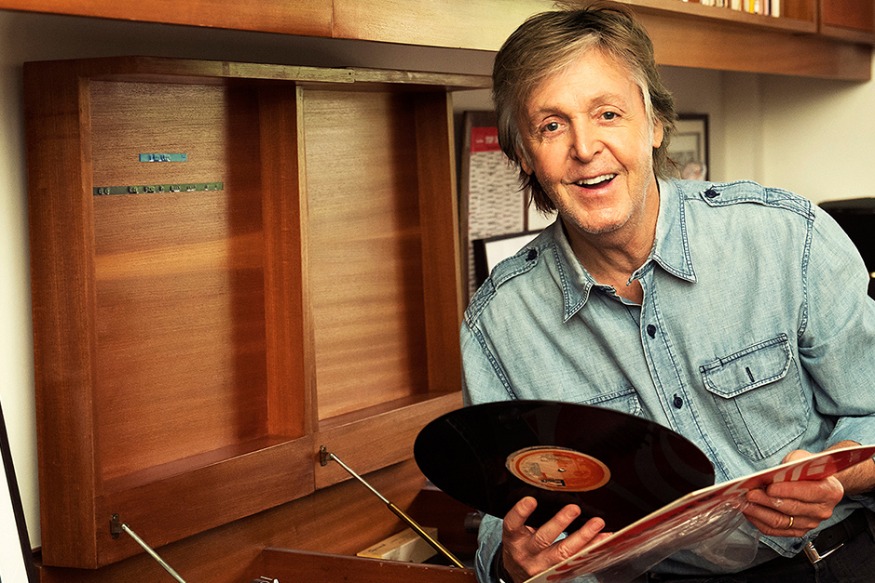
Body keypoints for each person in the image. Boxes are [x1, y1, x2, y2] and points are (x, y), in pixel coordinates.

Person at [460, 2, 875, 582]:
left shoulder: (787, 237)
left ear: (654, 124)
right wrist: (513, 560)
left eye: (607, 114)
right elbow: (496, 518)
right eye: (551, 126)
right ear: (524, 155)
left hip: (832, 560)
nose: (585, 148)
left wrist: (834, 477)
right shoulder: (498, 324)